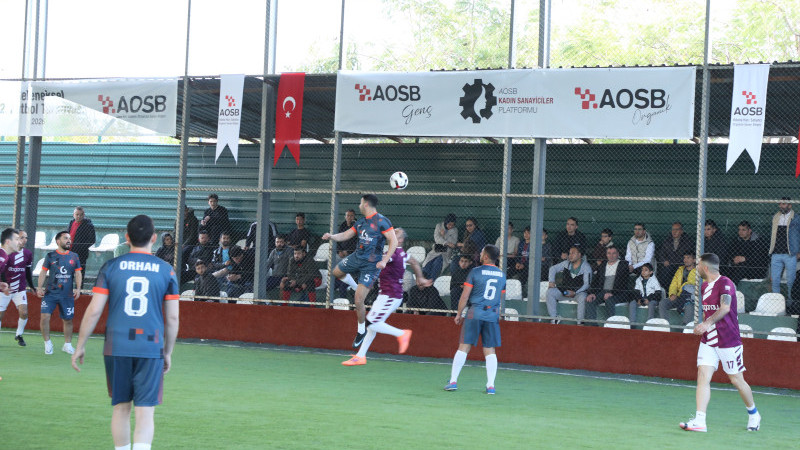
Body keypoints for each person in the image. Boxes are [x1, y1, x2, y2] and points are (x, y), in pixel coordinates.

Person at [71, 214, 180, 450]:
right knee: (145, 412)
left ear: (127, 237)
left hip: (116, 346)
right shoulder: (167, 271)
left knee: (121, 408)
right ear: (154, 238)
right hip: (150, 347)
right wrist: (168, 351)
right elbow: (173, 318)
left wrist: (80, 345)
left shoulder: (111, 267)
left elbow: (94, 310)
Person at [679, 253, 760, 433]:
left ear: (705, 267)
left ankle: (754, 414)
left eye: (698, 265)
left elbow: (725, 308)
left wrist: (706, 323)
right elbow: (708, 312)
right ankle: (700, 421)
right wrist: (704, 326)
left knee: (737, 380)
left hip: (728, 340)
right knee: (703, 376)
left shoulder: (725, 283)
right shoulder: (704, 286)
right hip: (709, 340)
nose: (696, 267)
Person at [342, 228, 430, 365]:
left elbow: (379, 261)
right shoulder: (401, 253)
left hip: (391, 296)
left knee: (371, 323)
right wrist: (420, 277)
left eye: (396, 233)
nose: (392, 233)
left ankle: (402, 334)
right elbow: (414, 262)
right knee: (371, 326)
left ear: (400, 240)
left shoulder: (394, 254)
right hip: (385, 295)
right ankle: (360, 356)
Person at [322, 194, 397, 347]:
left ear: (366, 204)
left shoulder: (382, 221)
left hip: (371, 264)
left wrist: (384, 260)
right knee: (336, 272)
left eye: (360, 203)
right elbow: (346, 234)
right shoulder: (361, 222)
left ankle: (361, 331)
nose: (359, 205)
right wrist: (332, 236)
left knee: (358, 300)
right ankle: (356, 286)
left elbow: (393, 241)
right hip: (357, 257)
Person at [444, 245, 505, 394]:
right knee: (490, 349)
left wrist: (459, 314)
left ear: (486, 257)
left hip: (475, 312)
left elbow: (464, 296)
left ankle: (453, 381)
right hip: (492, 314)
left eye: (482, 253)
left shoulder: (475, 272)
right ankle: (490, 386)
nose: (480, 255)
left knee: (464, 346)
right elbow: (500, 297)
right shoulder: (501, 275)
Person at [37, 231, 82, 355]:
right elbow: (43, 272)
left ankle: (67, 345)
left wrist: (78, 288)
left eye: (69, 238)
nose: (69, 241)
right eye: (65, 238)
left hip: (67, 295)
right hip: (50, 293)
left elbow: (78, 273)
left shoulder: (74, 256)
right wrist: (39, 287)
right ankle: (47, 343)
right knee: (44, 317)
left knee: (68, 320)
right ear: (58, 241)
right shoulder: (50, 256)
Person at [0, 230, 34, 346]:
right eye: (19, 238)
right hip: (5, 290)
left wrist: (32, 286)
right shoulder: (5, 255)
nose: (23, 240)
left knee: (24, 312)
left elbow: (28, 271)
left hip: (19, 289)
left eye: (25, 238)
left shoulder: (27, 254)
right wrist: (5, 284)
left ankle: (19, 335)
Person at [546, 245, 592, 324]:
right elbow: (552, 268)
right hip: (565, 292)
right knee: (550, 292)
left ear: (579, 255)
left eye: (573, 253)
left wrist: (575, 292)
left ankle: (580, 322)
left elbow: (586, 284)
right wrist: (551, 281)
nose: (570, 255)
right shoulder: (566, 263)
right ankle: (554, 318)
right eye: (570, 253)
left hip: (577, 293)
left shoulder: (586, 267)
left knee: (583, 297)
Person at [586, 246, 632, 324]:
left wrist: (612, 293)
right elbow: (595, 281)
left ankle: (610, 324)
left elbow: (623, 283)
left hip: (619, 293)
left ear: (618, 254)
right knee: (590, 300)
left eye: (614, 253)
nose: (611, 255)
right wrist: (592, 293)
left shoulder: (623, 265)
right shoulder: (603, 265)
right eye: (609, 253)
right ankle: (592, 325)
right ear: (606, 254)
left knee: (609, 300)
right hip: (603, 291)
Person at [768, 198, 800, 296]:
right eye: (780, 204)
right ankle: (776, 300)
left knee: (791, 281)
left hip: (790, 253)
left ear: (790, 205)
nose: (781, 206)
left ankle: (790, 301)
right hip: (776, 252)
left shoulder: (796, 218)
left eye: (784, 204)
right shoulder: (775, 217)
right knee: (775, 280)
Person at [659, 252, 698, 324]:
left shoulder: (698, 271)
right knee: (663, 303)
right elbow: (673, 284)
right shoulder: (680, 270)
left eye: (688, 258)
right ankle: (665, 325)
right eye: (684, 258)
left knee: (688, 306)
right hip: (678, 296)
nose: (685, 260)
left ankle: (684, 327)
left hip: (690, 298)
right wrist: (672, 294)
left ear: (694, 260)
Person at [657, 222, 694, 289]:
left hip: (681, 264)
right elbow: (661, 253)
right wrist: (664, 260)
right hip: (669, 264)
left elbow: (689, 254)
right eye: (673, 229)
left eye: (677, 229)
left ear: (681, 231)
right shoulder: (667, 240)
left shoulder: (687, 241)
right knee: (664, 273)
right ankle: (665, 291)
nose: (674, 231)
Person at [67, 206, 96, 273]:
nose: (79, 216)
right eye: (77, 214)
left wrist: (81, 247)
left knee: (80, 272)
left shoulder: (88, 225)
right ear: (73, 215)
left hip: (81, 253)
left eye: (81, 214)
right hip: (69, 251)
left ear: (84, 215)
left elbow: (92, 240)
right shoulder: (71, 223)